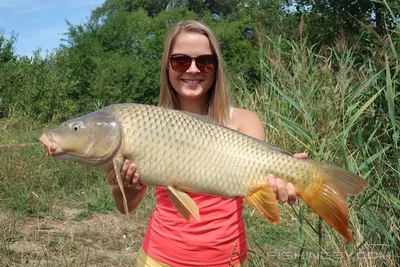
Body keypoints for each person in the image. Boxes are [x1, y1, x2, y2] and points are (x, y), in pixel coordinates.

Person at [106, 20, 307, 267]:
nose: (192, 69)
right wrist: (126, 185)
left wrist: (287, 180)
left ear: (216, 67)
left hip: (227, 259)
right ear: (167, 66)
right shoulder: (149, 123)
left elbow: (262, 183)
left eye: (204, 61)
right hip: (159, 258)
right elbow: (126, 207)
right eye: (180, 60)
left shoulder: (244, 121)